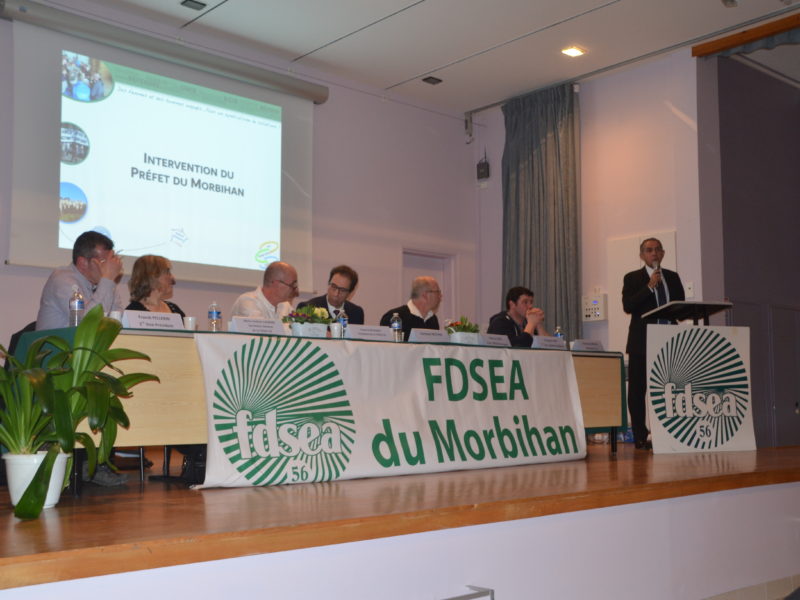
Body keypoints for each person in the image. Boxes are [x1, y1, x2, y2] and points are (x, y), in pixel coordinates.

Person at [622, 237, 685, 450]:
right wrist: (649, 287)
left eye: (658, 249)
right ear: (642, 255)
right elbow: (628, 305)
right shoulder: (632, 278)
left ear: (663, 253)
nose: (654, 253)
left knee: (671, 387)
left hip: (668, 340)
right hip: (642, 341)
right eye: (649, 250)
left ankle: (670, 433)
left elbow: (680, 305)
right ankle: (640, 435)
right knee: (637, 390)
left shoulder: (672, 277)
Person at [36, 230, 126, 330]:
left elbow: (117, 318)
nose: (109, 267)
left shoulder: (103, 282)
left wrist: (108, 281)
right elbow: (86, 322)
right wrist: (107, 279)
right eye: (104, 261)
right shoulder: (63, 280)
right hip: (57, 340)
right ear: (83, 263)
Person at [379, 276, 441, 341]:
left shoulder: (433, 319)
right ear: (425, 295)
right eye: (437, 292)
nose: (440, 296)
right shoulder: (394, 317)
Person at [297, 265, 364, 324]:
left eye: (342, 290)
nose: (336, 293)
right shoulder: (307, 308)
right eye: (334, 286)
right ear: (328, 284)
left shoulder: (357, 313)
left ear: (350, 293)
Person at [231, 261, 298, 320]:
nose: (295, 290)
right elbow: (260, 329)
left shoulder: (286, 306)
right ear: (276, 284)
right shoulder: (247, 301)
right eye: (292, 285)